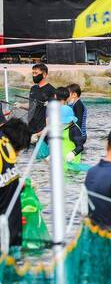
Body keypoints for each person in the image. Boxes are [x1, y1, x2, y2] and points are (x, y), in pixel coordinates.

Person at [0, 118, 32, 246]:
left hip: (12, 233)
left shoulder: (6, 152)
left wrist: (21, 186)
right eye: (20, 150)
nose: (18, 155)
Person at [54, 89, 85, 163]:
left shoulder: (74, 130)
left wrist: (72, 154)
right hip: (62, 161)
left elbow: (80, 146)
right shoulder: (61, 128)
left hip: (72, 163)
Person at [27, 64, 56, 137]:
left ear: (44, 74)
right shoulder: (33, 88)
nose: (34, 75)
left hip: (42, 126)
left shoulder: (51, 90)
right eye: (33, 73)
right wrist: (20, 105)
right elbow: (32, 105)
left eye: (36, 73)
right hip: (31, 124)